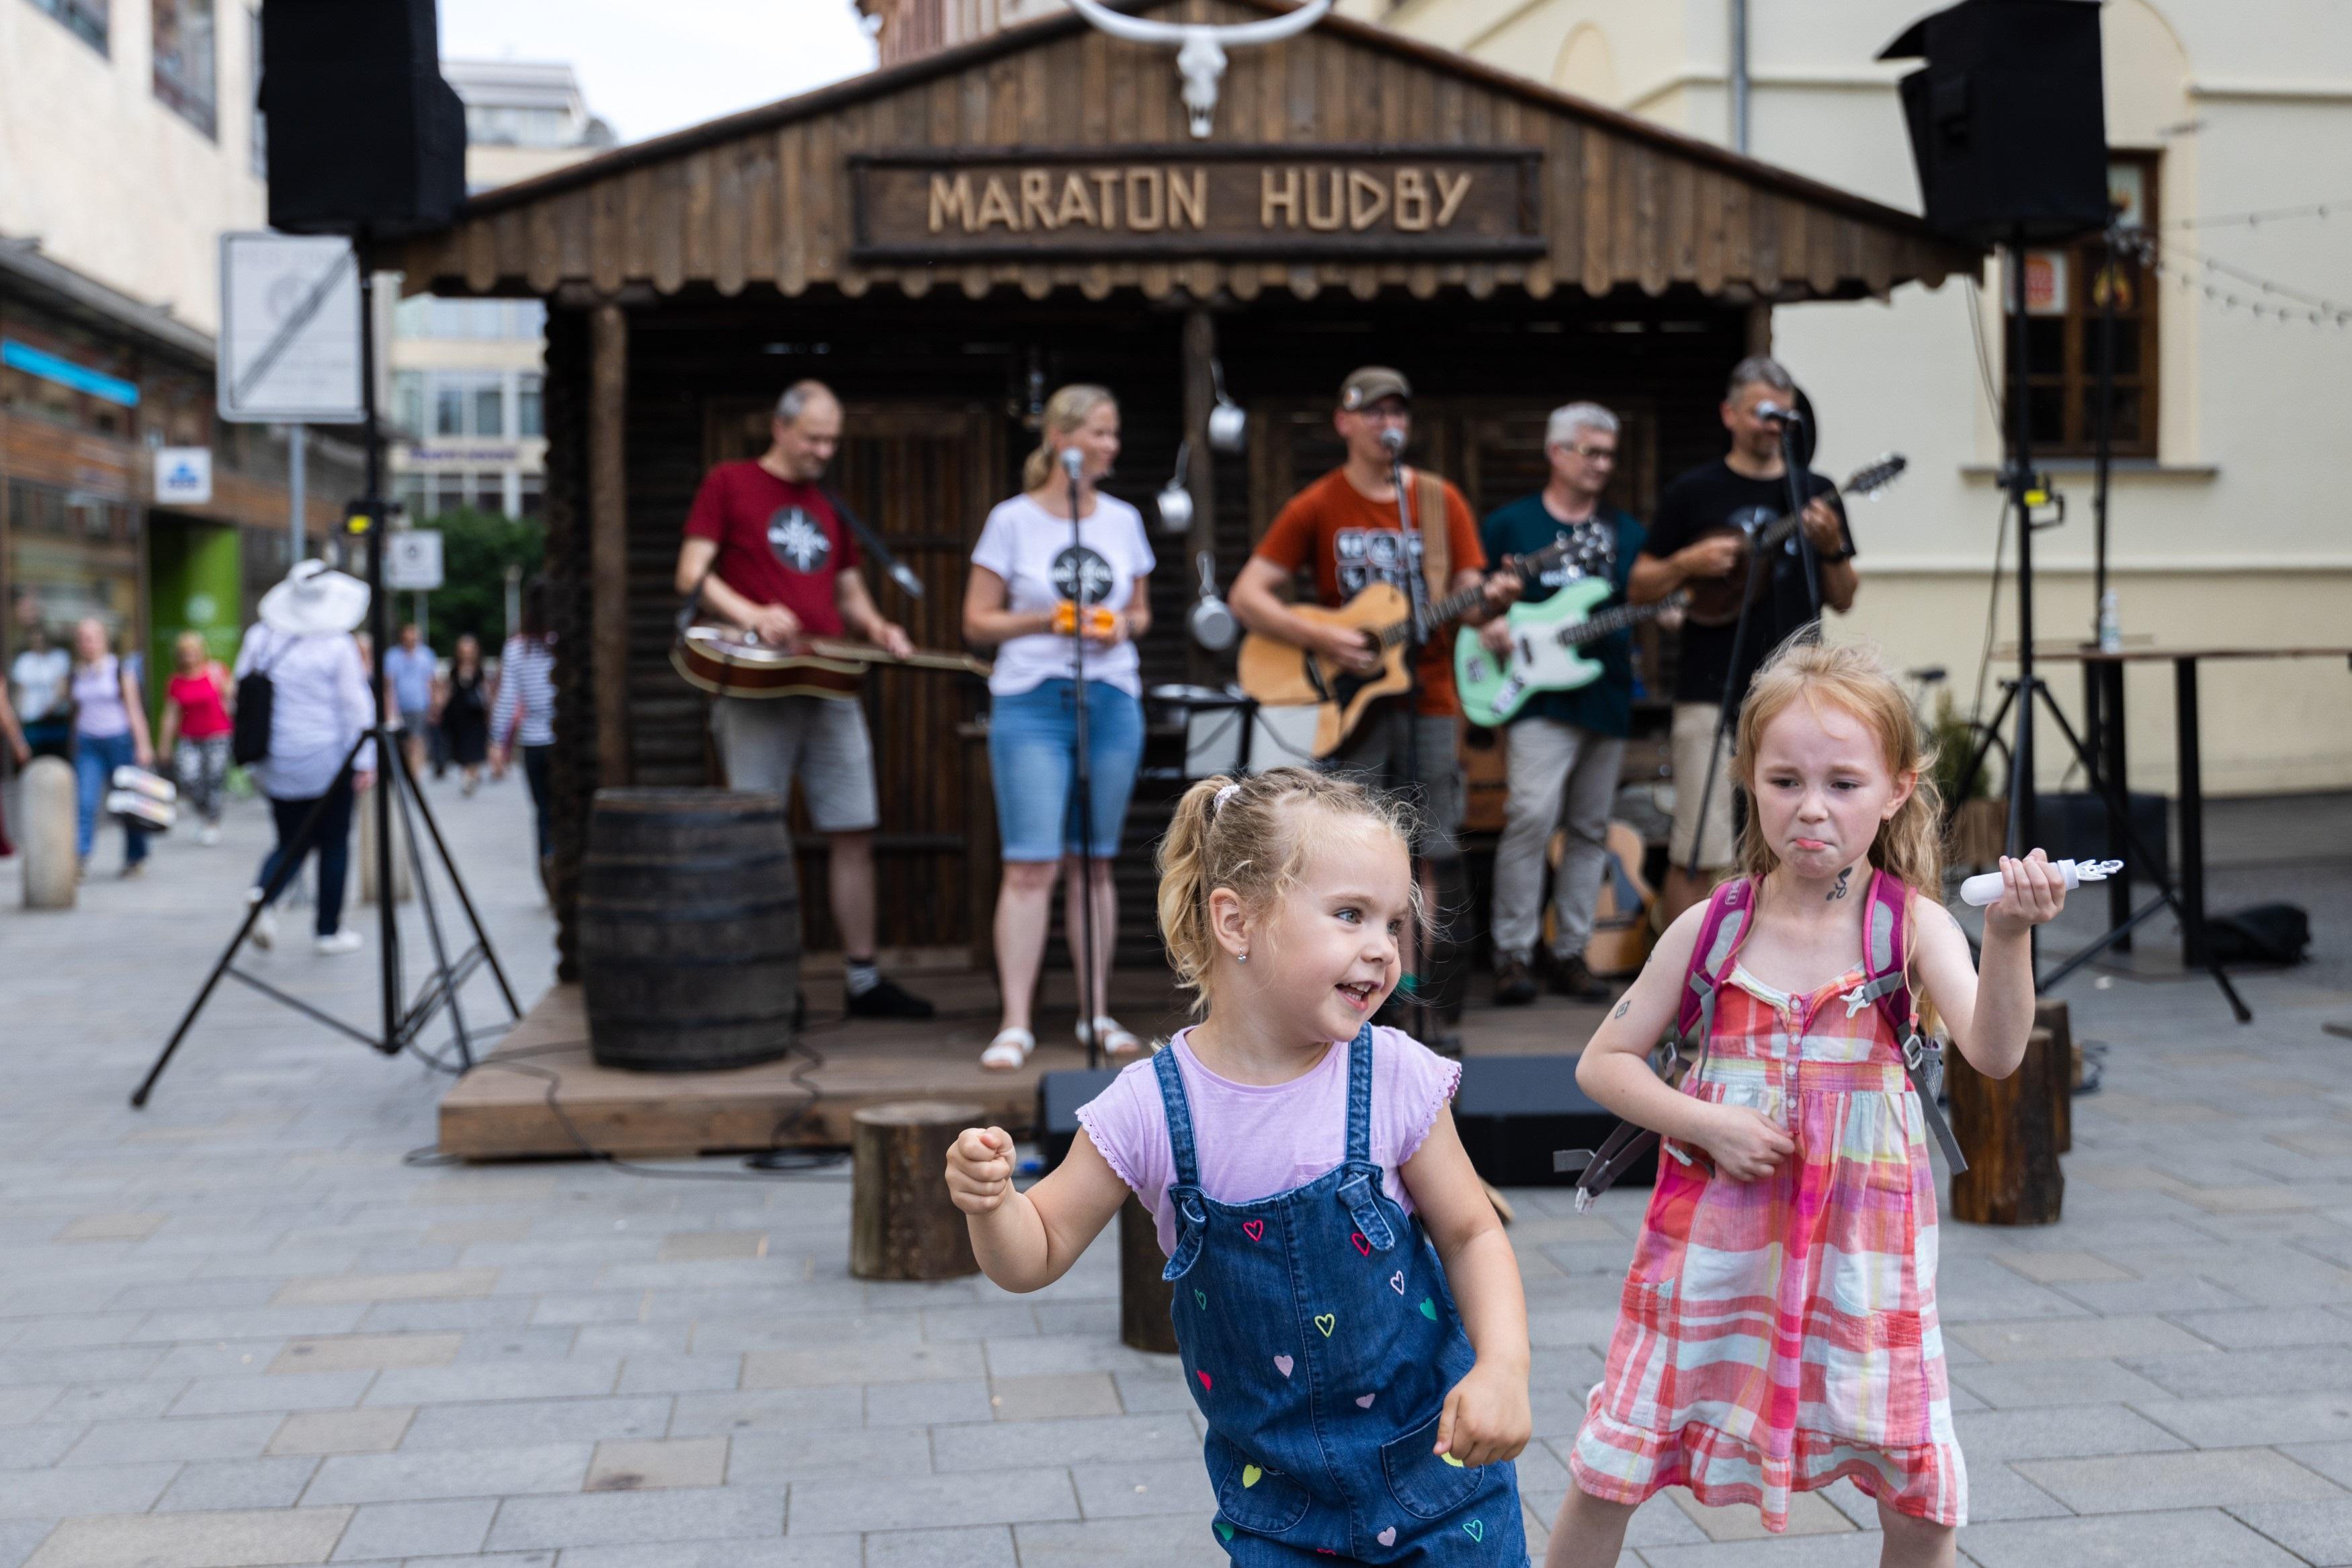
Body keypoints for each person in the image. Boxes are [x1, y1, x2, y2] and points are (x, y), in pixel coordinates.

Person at [1545, 639, 2067, 1568]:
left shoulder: (1909, 924)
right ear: (1748, 778)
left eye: (1844, 782)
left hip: (1865, 1259)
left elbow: (1992, 1052)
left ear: (1898, 789)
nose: (1812, 807)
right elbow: (1604, 1062)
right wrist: (1704, 1120)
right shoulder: (1714, 924)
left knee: (1918, 1493)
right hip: (1713, 1250)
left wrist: (2010, 934)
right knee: (1617, 1455)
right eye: (1785, 779)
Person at [946, 767, 1534, 1559]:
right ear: (1236, 922)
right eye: (1350, 915)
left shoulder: (1391, 1073)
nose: (1381, 950)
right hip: (1277, 1512)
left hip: (1444, 1479)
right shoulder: (1149, 1106)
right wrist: (992, 1207)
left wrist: (1502, 1366)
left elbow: (1469, 1234)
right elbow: (1037, 1252)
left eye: (1393, 923)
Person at [1228, 367, 1518, 1020]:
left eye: (1396, 413)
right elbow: (1246, 594)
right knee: (1345, 846)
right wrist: (1322, 638)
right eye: (1372, 412)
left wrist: (1491, 601)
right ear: (1344, 421)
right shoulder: (1316, 502)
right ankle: (1347, 981)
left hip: (1430, 693)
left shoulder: (1439, 503)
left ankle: (1405, 990)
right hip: (1348, 703)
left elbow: (1469, 600)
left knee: (1428, 847)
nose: (1386, 424)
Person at [673, 378, 932, 1020]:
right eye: (814, 438)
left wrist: (878, 628)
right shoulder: (729, 483)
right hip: (759, 680)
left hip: (830, 679)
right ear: (781, 428)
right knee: (759, 830)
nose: (823, 450)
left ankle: (864, 980)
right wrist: (753, 611)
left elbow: (848, 592)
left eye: (832, 441)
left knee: (854, 828)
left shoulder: (827, 503)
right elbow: (692, 573)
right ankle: (767, 982)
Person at [961, 384, 1154, 1071]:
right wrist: (1047, 620)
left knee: (1093, 860)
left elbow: (1140, 613)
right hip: (1031, 696)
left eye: (1113, 434)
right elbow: (976, 621)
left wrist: (1117, 625)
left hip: (1108, 695)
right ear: (1060, 440)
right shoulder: (1012, 520)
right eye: (1098, 433)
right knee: (1031, 862)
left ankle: (1094, 1012)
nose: (1110, 446)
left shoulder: (1123, 520)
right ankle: (1015, 1022)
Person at [1632, 355, 1857, 926]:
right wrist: (1689, 561)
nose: (1772, 423)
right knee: (1698, 845)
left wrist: (1830, 545)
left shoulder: (1818, 493)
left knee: (1797, 835)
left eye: (1783, 414)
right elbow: (1639, 585)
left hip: (1799, 692)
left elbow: (1845, 595)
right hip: (1710, 683)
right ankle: (1682, 998)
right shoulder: (1692, 492)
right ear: (1729, 414)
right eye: (1761, 412)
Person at [1478, 402, 1644, 1006]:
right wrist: (1490, 625)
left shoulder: (1628, 534)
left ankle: (1570, 950)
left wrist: (1668, 609)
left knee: (1590, 828)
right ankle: (1513, 953)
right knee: (1529, 816)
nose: (1602, 464)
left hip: (1605, 693)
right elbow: (1475, 600)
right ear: (1557, 452)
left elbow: (1643, 597)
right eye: (1590, 452)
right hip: (1538, 696)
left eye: (1608, 454)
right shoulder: (1511, 526)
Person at [235, 562, 375, 955]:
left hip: (275, 759)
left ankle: (265, 893)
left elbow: (241, 691)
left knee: (290, 840)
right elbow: (355, 708)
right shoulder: (337, 644)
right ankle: (328, 930)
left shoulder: (260, 637)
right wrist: (366, 760)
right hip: (328, 759)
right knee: (333, 843)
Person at [68, 619, 155, 879]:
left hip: (118, 741)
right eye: (83, 638)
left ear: (104, 639)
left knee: (128, 802)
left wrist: (143, 745)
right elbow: (77, 711)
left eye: (92, 637)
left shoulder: (119, 669)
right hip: (88, 743)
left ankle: (135, 857)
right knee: (85, 802)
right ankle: (80, 858)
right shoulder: (76, 672)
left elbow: (134, 709)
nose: (88, 643)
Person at [490, 582, 557, 889]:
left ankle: (548, 865)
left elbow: (507, 699)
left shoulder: (517, 648)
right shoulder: (562, 643)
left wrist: (497, 742)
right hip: (560, 739)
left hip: (533, 742)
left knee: (542, 810)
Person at [158, 631, 235, 846]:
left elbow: (233, 697)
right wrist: (164, 745)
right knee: (189, 779)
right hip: (189, 737)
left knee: (214, 779)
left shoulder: (216, 671)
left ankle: (212, 822)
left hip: (218, 734)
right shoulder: (176, 681)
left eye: (193, 652)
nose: (189, 656)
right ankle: (204, 814)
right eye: (185, 653)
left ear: (201, 652)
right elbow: (170, 714)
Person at [437, 634, 492, 795]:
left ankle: (472, 775)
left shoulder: (480, 668)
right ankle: (467, 775)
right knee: (461, 747)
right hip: (458, 713)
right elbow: (447, 689)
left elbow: (486, 691)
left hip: (475, 714)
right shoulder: (454, 668)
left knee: (475, 746)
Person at [382, 621, 437, 783]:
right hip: (399, 705)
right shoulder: (393, 656)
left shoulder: (426, 655)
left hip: (420, 704)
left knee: (417, 738)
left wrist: (433, 704)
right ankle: (406, 770)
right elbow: (389, 684)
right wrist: (389, 707)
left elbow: (431, 681)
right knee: (403, 741)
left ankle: (414, 773)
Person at [10, 621, 71, 760]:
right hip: (32, 720)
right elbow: (21, 691)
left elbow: (62, 688)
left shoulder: (59, 658)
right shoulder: (24, 661)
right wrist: (18, 717)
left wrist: (50, 708)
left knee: (56, 760)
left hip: (55, 720)